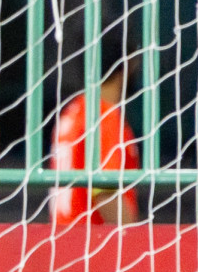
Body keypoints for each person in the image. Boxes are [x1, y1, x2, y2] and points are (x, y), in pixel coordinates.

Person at [50, 62, 140, 226]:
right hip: (92, 240)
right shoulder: (103, 115)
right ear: (123, 70)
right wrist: (136, 241)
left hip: (62, 235)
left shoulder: (72, 111)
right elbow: (105, 192)